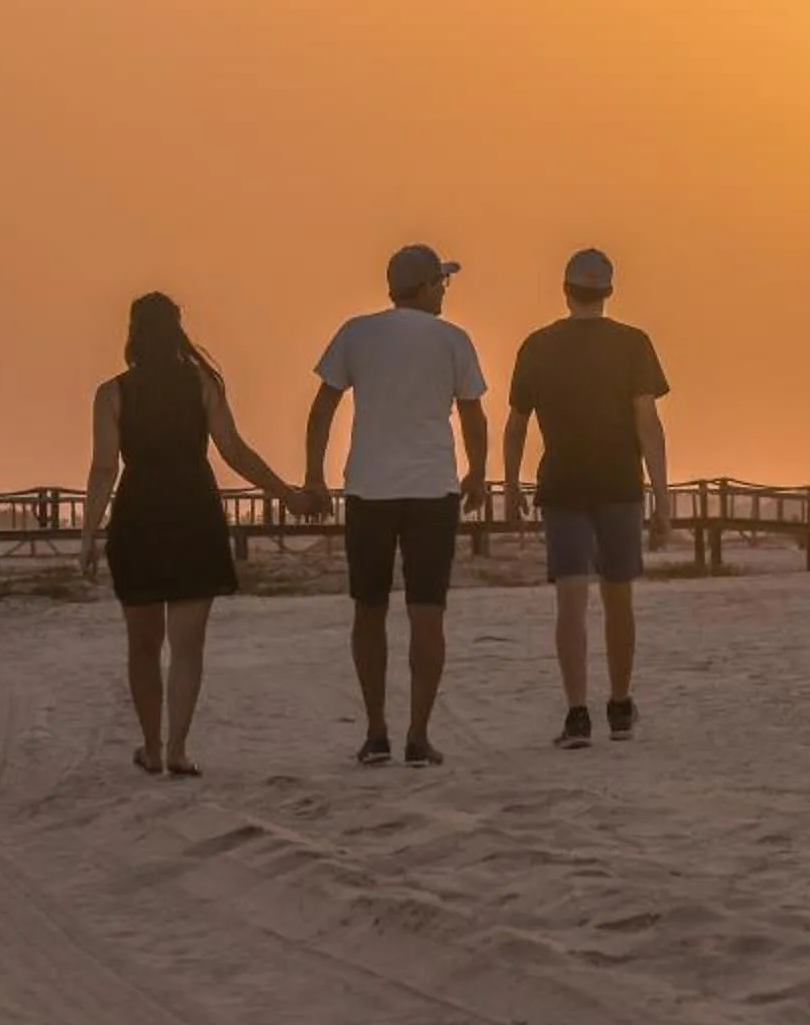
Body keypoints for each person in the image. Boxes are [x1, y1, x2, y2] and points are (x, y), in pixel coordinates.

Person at [80, 293, 308, 778]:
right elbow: (234, 451)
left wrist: (87, 536)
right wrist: (286, 494)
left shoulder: (112, 393)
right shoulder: (202, 383)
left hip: (139, 515)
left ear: (133, 332)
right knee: (188, 645)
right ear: (178, 329)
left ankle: (152, 746)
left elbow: (103, 470)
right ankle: (179, 747)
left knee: (142, 644)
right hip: (193, 514)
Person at [305, 244, 490, 767]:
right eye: (442, 284)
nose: (445, 293)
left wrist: (313, 475)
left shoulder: (357, 333)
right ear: (428, 287)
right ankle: (418, 734)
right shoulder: (453, 340)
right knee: (427, 612)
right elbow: (473, 415)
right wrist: (478, 471)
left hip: (369, 487)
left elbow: (322, 409)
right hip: (432, 489)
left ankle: (376, 731)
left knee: (369, 610)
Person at [503, 248, 670, 751]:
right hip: (619, 482)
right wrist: (662, 497)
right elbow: (649, 425)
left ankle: (577, 713)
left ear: (566, 289)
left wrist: (510, 488)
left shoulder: (537, 345)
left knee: (570, 601)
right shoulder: (633, 344)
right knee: (619, 598)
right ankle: (619, 705)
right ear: (609, 292)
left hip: (564, 484)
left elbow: (515, 426)